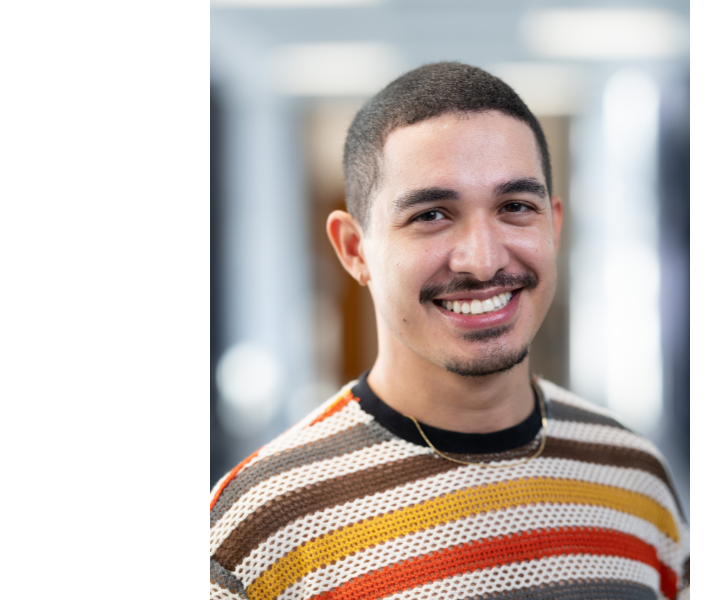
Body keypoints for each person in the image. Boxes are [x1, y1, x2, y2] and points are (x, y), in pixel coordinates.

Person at [210, 62, 690, 600]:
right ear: (354, 249)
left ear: (553, 226)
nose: (483, 261)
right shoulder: (261, 524)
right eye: (432, 215)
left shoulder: (634, 475)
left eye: (515, 207)